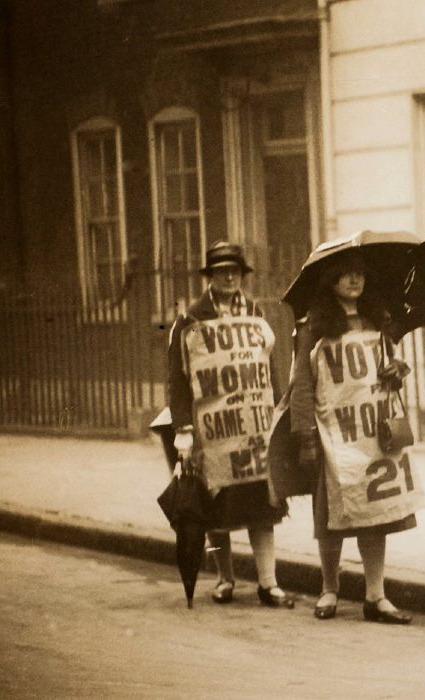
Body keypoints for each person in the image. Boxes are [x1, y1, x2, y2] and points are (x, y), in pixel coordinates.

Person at [289, 251, 424, 624]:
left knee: (375, 514)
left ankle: (375, 594)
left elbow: (387, 371)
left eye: (359, 275)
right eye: (345, 275)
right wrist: (305, 436)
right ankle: (329, 589)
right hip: (334, 433)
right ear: (330, 281)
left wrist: (397, 370)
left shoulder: (377, 321)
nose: (354, 281)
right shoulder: (312, 327)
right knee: (332, 516)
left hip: (372, 432)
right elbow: (302, 383)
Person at [168, 241, 293, 608]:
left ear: (241, 275)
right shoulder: (191, 319)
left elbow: (269, 366)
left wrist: (277, 410)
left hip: (253, 427)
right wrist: (183, 430)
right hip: (214, 431)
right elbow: (178, 377)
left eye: (234, 271)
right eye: (222, 271)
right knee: (218, 508)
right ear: (211, 276)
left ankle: (268, 582)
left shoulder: (255, 313)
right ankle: (225, 578)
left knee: (262, 505)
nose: (229, 277)